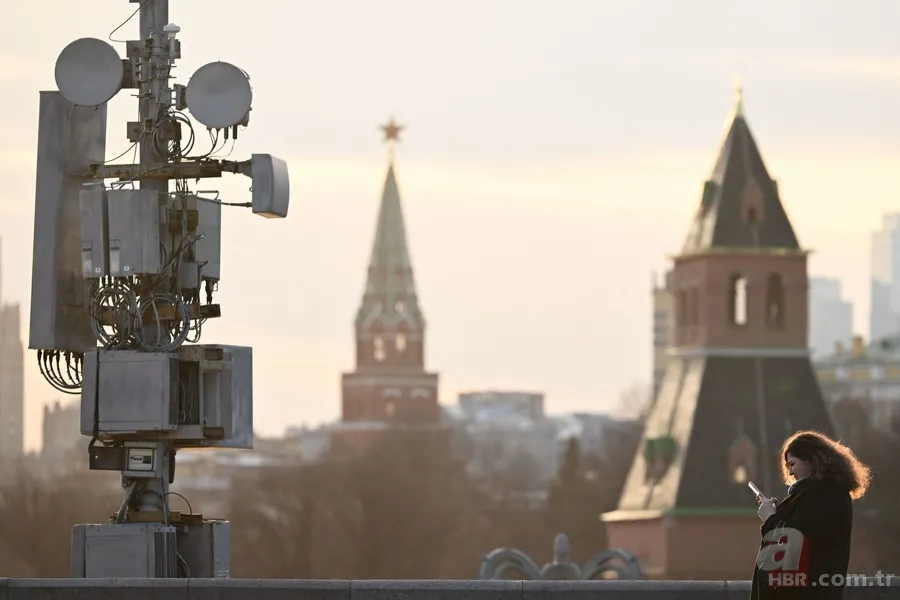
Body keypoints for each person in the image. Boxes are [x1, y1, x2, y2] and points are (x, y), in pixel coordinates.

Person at [750, 430, 871, 599]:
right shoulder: (824, 493)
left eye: (792, 464)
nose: (790, 473)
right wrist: (779, 515)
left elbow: (794, 542)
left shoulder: (822, 495)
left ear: (811, 460)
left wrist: (770, 518)